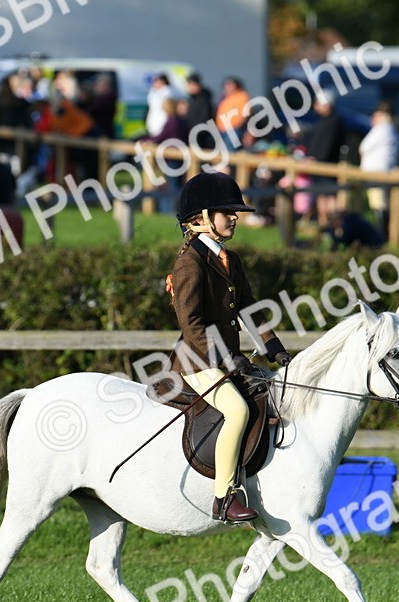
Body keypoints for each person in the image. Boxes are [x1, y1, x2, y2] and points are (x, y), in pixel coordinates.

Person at [167, 171, 293, 522]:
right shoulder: (190, 263)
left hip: (227, 359)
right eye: (227, 211)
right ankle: (223, 497)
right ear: (202, 217)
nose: (235, 217)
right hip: (198, 361)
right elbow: (191, 325)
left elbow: (250, 308)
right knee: (237, 410)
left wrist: (274, 348)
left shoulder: (229, 259)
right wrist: (225, 358)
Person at [306, 88, 347, 228]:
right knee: (321, 197)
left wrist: (317, 159)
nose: (315, 106)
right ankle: (324, 227)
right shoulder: (324, 121)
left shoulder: (334, 121)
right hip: (319, 166)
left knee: (330, 198)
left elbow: (327, 145)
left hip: (327, 166)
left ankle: (334, 227)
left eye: (318, 103)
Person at [358, 102, 399, 236]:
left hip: (377, 171)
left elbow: (363, 147)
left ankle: (381, 234)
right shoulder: (393, 129)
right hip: (385, 170)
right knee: (383, 202)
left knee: (379, 203)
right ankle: (384, 232)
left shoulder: (382, 128)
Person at [214, 77, 250, 151]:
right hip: (222, 129)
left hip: (233, 130)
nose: (227, 87)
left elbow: (244, 114)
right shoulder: (226, 97)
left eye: (230, 85)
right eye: (227, 84)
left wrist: (237, 125)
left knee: (231, 152)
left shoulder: (242, 96)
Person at [184, 72, 215, 149]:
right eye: (189, 84)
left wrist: (194, 136)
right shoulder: (192, 99)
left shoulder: (204, 100)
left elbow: (204, 122)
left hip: (200, 139)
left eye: (193, 84)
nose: (191, 87)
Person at [145, 73, 175, 138]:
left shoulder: (167, 92)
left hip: (162, 122)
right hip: (153, 122)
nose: (155, 83)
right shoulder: (153, 92)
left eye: (158, 81)